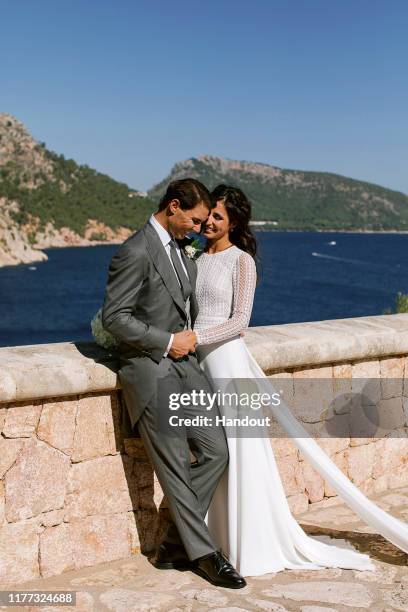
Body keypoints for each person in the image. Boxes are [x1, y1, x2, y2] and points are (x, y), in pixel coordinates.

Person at [192, 184, 408, 577]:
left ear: (233, 222)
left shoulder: (241, 261)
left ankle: (248, 543)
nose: (208, 222)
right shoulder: (194, 255)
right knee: (211, 450)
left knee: (239, 452)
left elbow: (240, 321)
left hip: (226, 363)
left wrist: (195, 337)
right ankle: (211, 536)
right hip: (197, 364)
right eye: (208, 215)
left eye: (217, 217)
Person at [102, 178, 246, 589]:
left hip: (188, 370)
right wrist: (166, 341)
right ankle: (205, 554)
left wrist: (187, 343)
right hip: (151, 371)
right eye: (195, 220)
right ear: (174, 206)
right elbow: (115, 317)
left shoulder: (183, 253)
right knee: (176, 470)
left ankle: (173, 544)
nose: (199, 229)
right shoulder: (134, 250)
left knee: (218, 452)